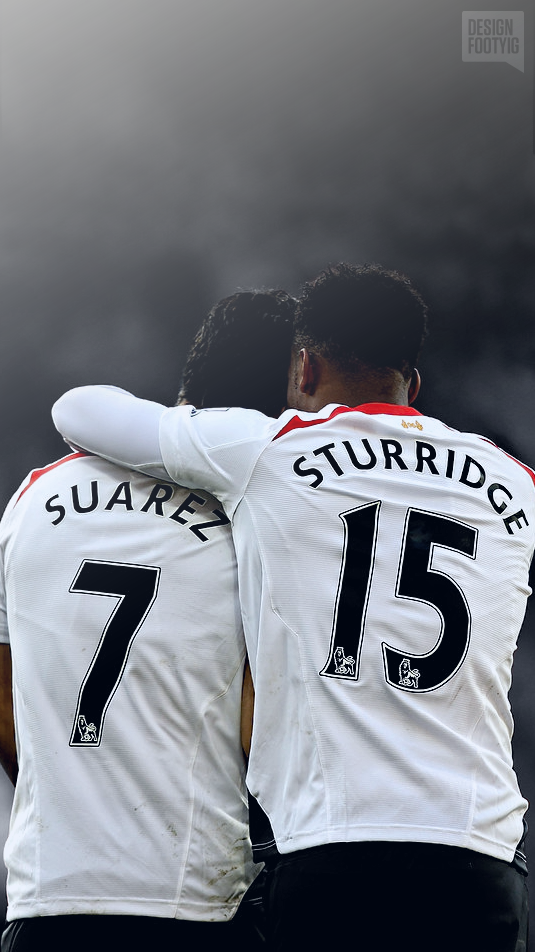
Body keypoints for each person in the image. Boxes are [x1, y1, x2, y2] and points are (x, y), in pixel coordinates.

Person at [52, 263, 533, 952]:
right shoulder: (514, 480)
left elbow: (79, 410)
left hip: (333, 853)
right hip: (477, 856)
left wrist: (207, 427)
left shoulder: (265, 451)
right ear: (414, 383)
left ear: (304, 367)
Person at [0, 288, 295, 952]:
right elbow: (261, 719)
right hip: (194, 904)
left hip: (47, 902)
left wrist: (69, 790)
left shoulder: (33, 495)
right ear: (290, 392)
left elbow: (2, 685)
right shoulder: (253, 519)